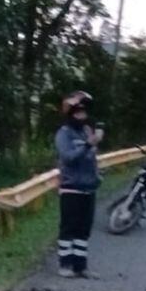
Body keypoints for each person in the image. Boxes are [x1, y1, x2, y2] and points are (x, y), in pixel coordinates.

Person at [54, 89, 103, 278]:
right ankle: (65, 265)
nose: (82, 115)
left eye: (84, 112)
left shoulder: (85, 131)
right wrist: (89, 145)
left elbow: (91, 158)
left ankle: (80, 266)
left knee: (84, 229)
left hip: (89, 188)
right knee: (69, 227)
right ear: (70, 113)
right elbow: (68, 157)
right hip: (71, 188)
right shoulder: (63, 134)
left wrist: (97, 174)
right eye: (78, 112)